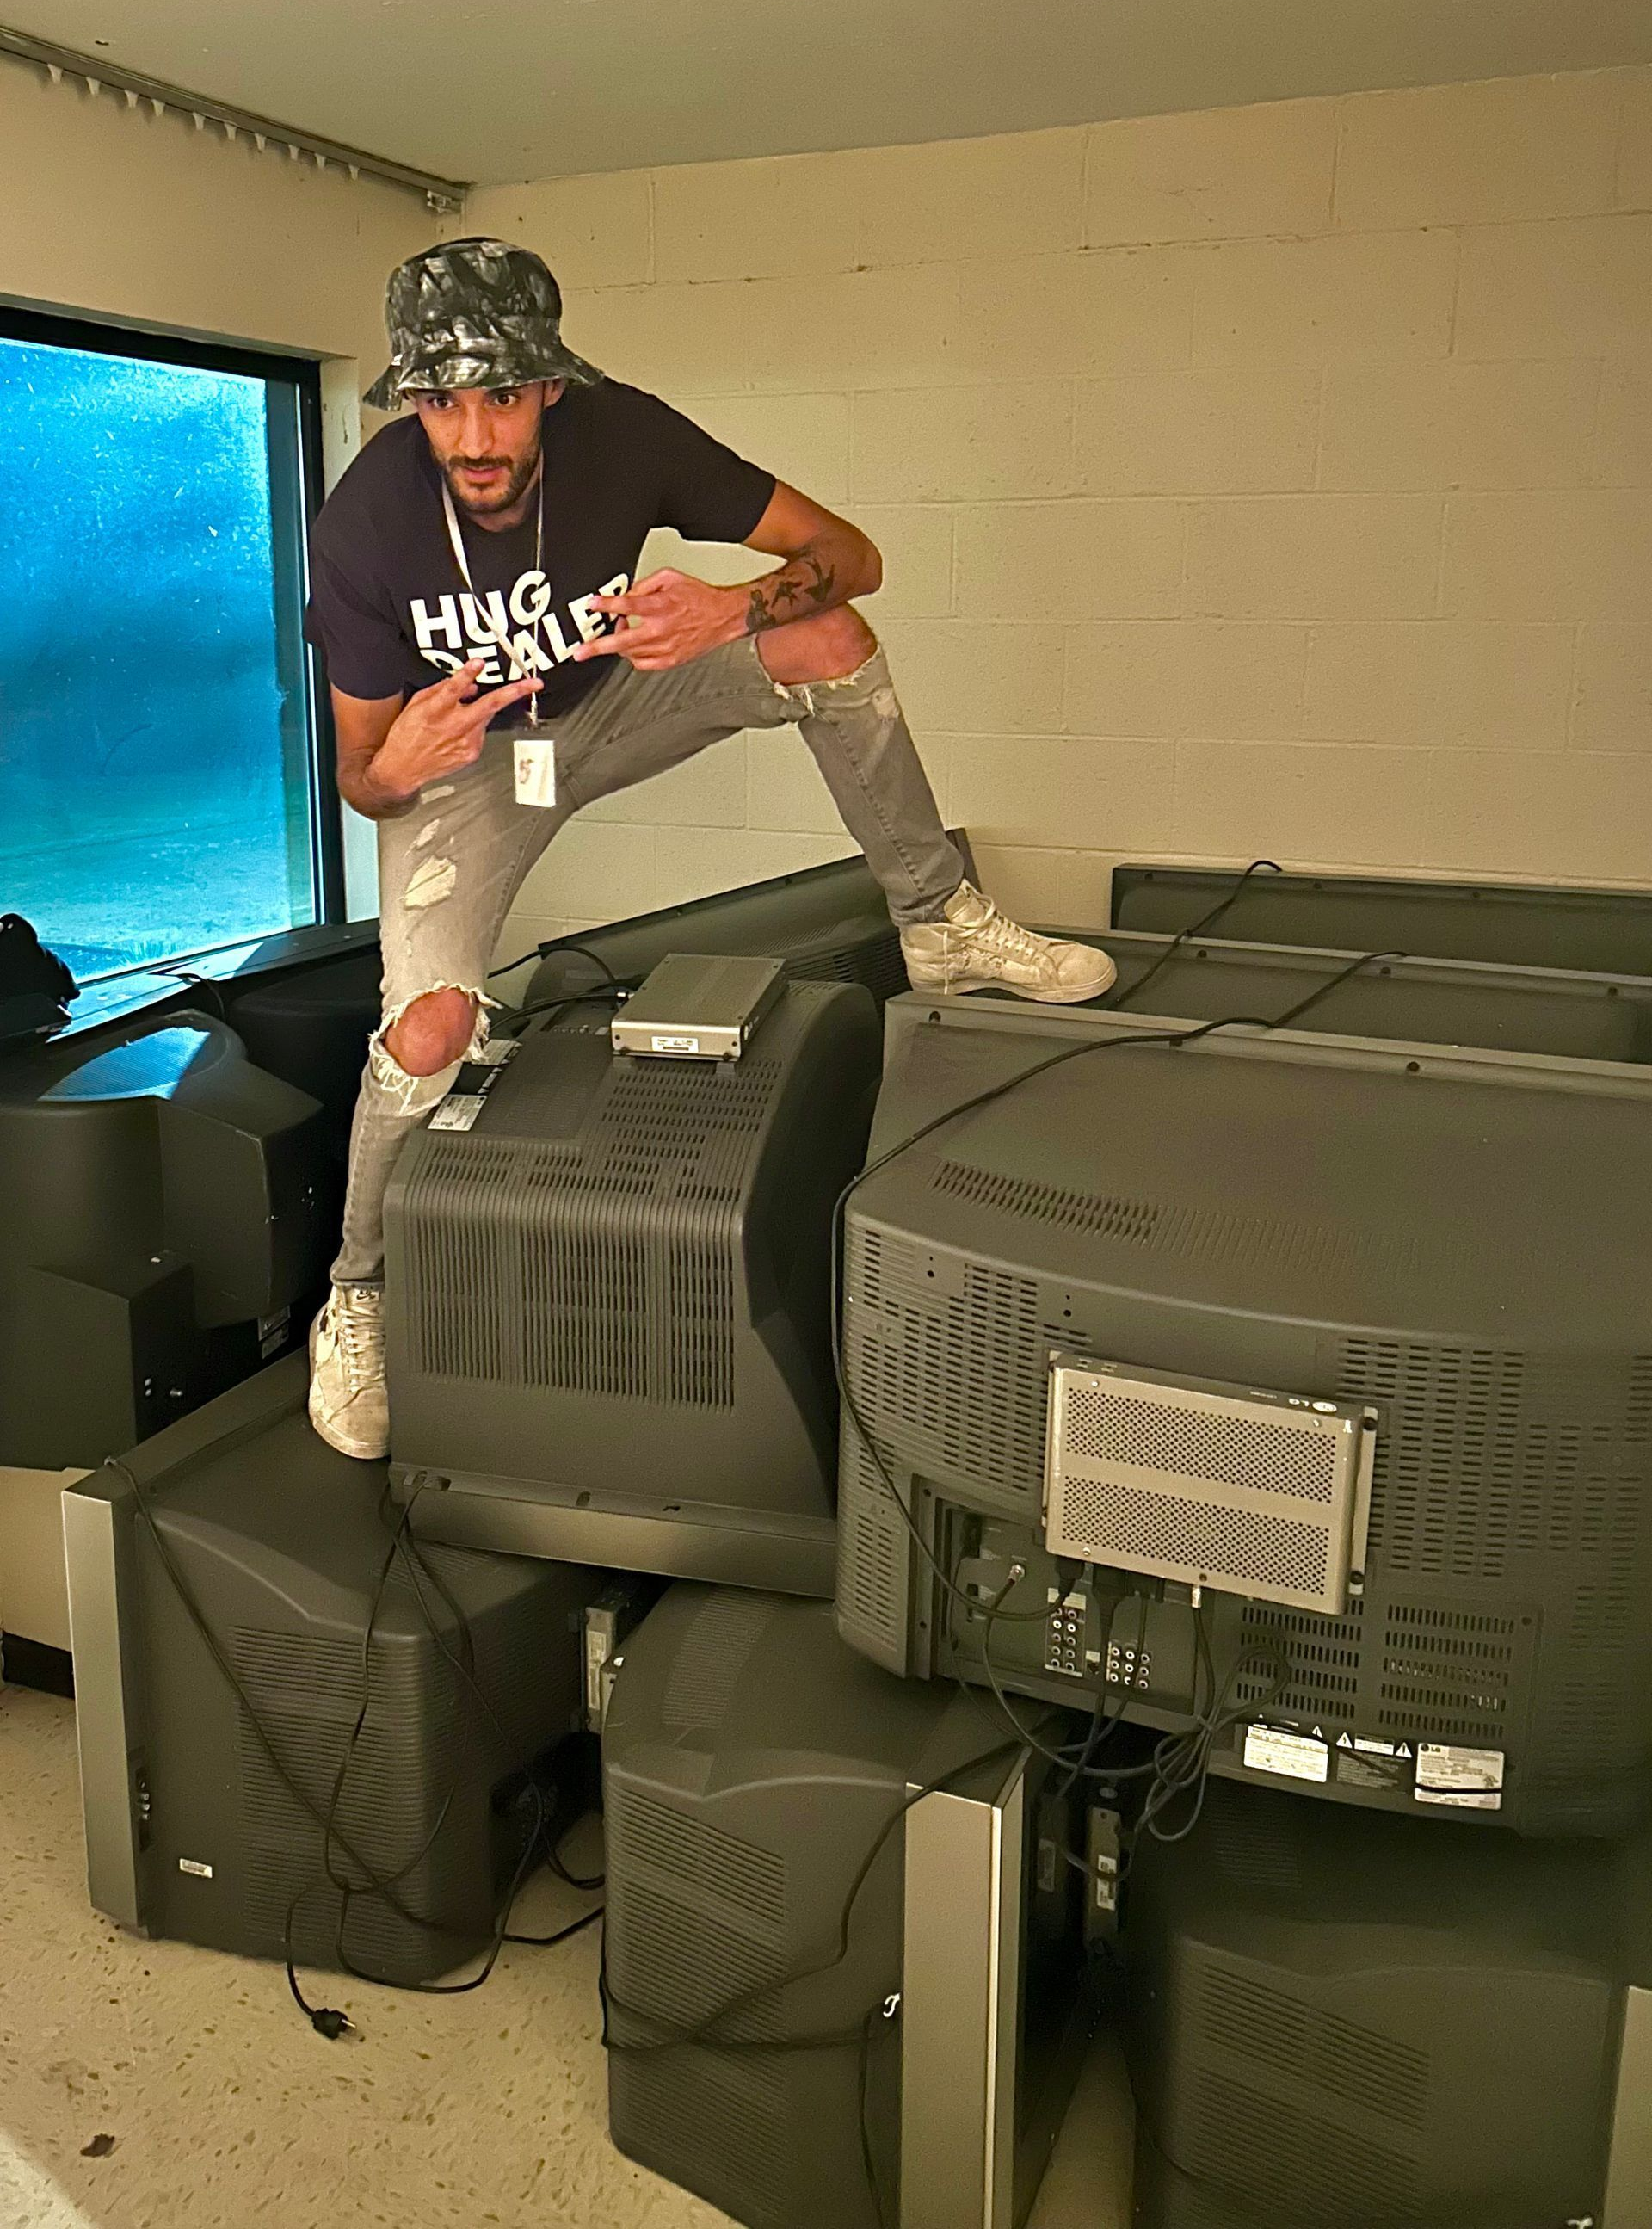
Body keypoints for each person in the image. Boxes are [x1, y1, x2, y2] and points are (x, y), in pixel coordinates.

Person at [302, 237, 1114, 1459]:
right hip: (465, 768)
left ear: (552, 388)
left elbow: (856, 558)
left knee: (827, 637)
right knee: (429, 1034)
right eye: (440, 400)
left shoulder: (627, 437)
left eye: (502, 397)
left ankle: (939, 921)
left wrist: (730, 606)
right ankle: (355, 1290)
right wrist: (392, 770)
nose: (472, 435)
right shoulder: (363, 525)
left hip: (615, 704)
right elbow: (362, 774)